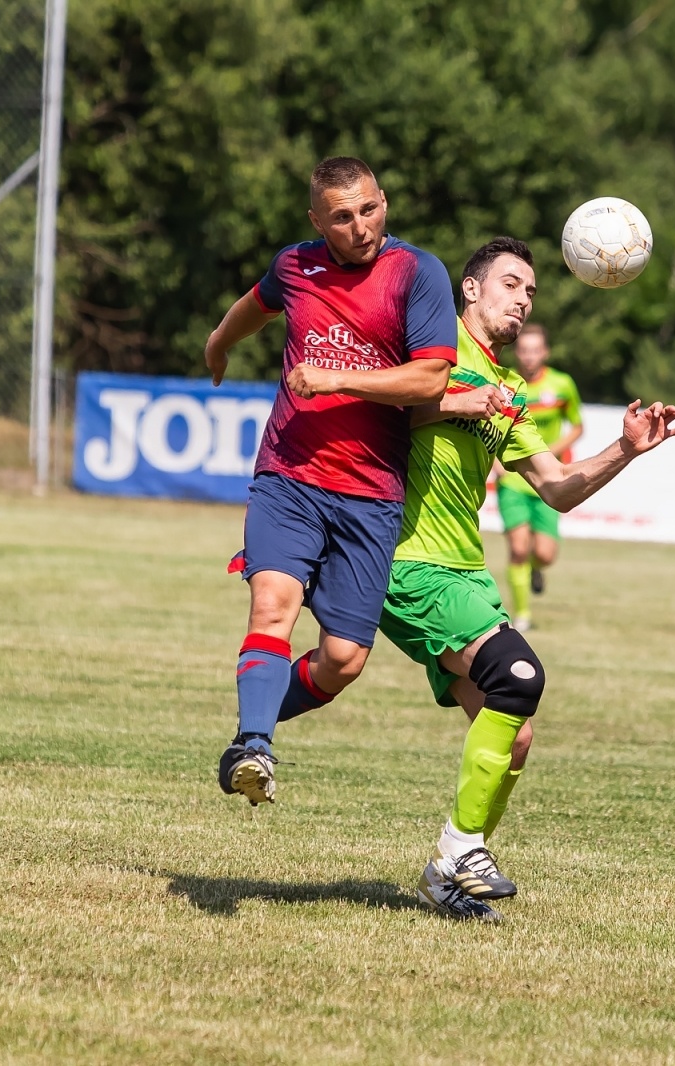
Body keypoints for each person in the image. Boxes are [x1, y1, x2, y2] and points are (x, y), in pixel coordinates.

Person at [374, 236, 675, 921]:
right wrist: (457, 403)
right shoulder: (426, 347)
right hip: (407, 561)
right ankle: (461, 848)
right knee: (517, 676)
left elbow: (558, 488)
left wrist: (626, 449)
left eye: (532, 292)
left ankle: (446, 875)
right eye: (512, 284)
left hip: (464, 569)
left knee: (513, 731)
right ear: (471, 289)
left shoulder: (508, 390)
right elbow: (376, 410)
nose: (523, 299)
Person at [202, 156, 459, 806]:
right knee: (272, 607)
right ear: (318, 221)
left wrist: (336, 378)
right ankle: (257, 744)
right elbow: (253, 307)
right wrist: (218, 345)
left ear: (385, 202)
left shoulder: (417, 273)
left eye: (369, 208)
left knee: (343, 660)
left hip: (371, 496)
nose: (359, 226)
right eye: (342, 217)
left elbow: (430, 379)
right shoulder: (295, 265)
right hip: (289, 476)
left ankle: (249, 731)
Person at [495, 323, 583, 630]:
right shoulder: (505, 382)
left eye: (535, 350)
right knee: (518, 548)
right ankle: (522, 616)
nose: (529, 356)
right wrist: (494, 461)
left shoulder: (562, 385)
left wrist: (548, 451)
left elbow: (577, 427)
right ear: (516, 351)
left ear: (544, 352)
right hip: (513, 479)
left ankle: (537, 569)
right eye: (524, 350)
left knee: (544, 554)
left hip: (548, 478)